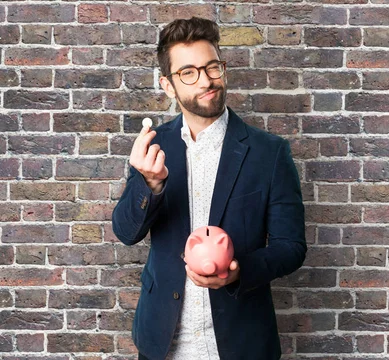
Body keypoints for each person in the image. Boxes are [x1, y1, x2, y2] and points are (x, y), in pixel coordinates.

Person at [111, 17, 306, 360]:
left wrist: (238, 272)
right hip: (164, 344)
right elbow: (126, 232)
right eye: (189, 72)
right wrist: (149, 183)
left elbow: (291, 247)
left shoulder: (269, 153)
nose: (206, 81)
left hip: (239, 342)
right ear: (168, 85)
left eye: (212, 66)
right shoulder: (154, 148)